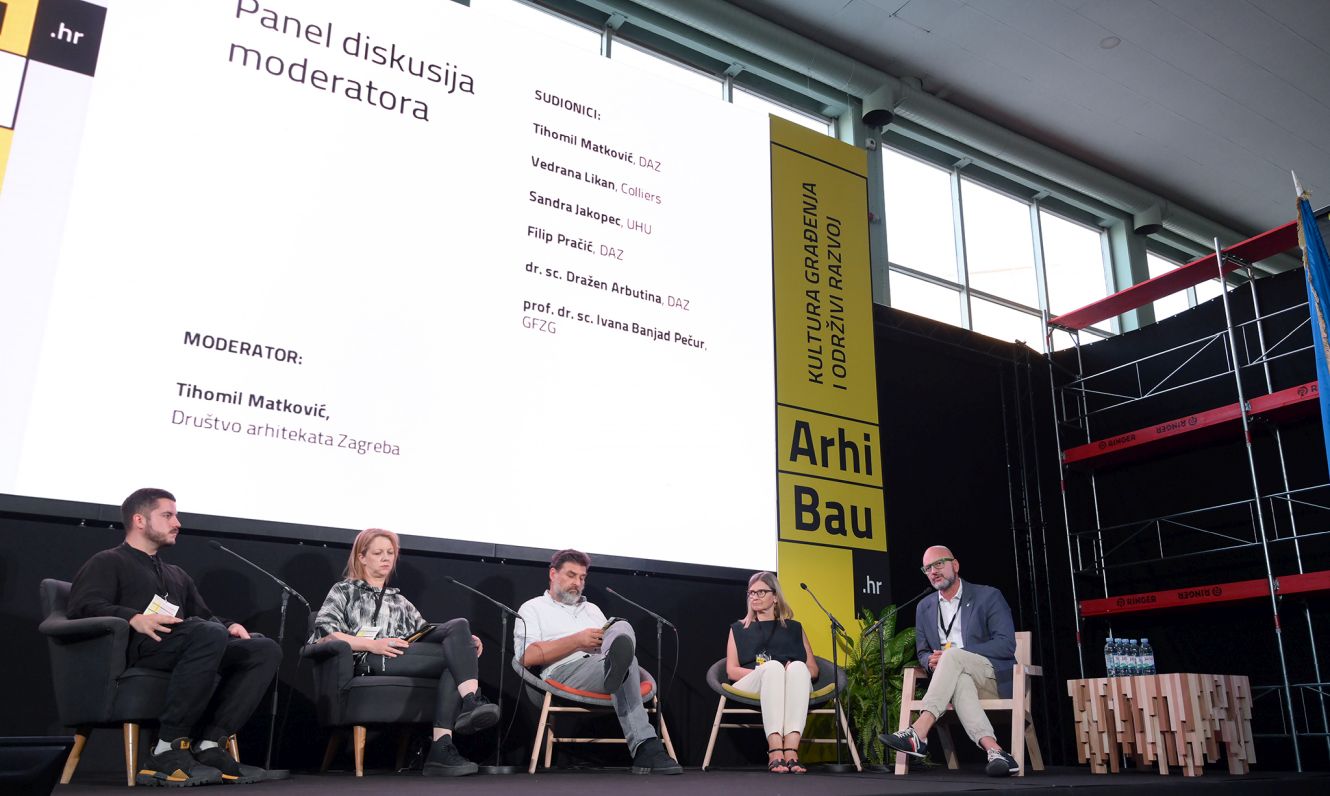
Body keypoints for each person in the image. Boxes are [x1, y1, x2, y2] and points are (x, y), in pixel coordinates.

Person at [68, 488, 282, 786]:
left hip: (187, 646)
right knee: (207, 633)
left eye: (176, 516)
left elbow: (204, 617)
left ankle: (209, 743)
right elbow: (82, 606)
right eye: (167, 515)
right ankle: (167, 747)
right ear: (139, 520)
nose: (177, 523)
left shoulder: (176, 574)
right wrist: (133, 617)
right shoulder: (108, 561)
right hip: (139, 649)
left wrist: (230, 625)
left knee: (262, 649)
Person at [308, 528, 500, 777]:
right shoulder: (344, 591)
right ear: (362, 557)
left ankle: (445, 741)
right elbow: (325, 635)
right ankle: (462, 715)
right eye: (378, 553)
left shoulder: (400, 602)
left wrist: (463, 642)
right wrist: (372, 645)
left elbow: (423, 633)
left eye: (390, 553)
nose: (386, 558)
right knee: (456, 658)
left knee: (459, 630)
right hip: (368, 660)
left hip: (402, 656)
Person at [514, 549, 682, 775]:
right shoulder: (533, 608)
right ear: (553, 574)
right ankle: (646, 745)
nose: (577, 583)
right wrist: (577, 641)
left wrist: (603, 644)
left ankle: (616, 669)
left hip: (600, 664)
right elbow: (526, 657)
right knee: (626, 662)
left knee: (621, 626)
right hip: (564, 671)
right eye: (571, 575)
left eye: (582, 577)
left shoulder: (592, 609)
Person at [879, 545, 1021, 777]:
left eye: (938, 564)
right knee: (960, 679)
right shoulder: (924, 607)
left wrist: (955, 653)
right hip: (954, 681)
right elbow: (923, 652)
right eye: (927, 568)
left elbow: (1006, 644)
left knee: (953, 656)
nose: (933, 571)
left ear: (955, 565)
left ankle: (918, 732)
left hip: (991, 678)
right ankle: (996, 752)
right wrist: (930, 661)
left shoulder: (988, 596)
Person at [725, 572, 819, 774]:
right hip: (752, 682)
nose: (754, 596)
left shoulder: (794, 628)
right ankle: (775, 749)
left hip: (791, 683)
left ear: (775, 596)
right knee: (774, 667)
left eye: (761, 592)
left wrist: (789, 671)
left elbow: (813, 669)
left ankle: (791, 750)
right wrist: (765, 671)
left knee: (798, 667)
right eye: (751, 593)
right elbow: (731, 671)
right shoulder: (739, 628)